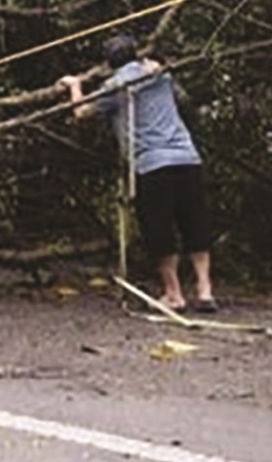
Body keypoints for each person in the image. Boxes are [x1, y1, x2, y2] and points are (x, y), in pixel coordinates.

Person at [59, 34, 217, 312]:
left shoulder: (116, 86)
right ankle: (205, 291)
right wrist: (153, 64)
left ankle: (174, 294)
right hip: (187, 158)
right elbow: (182, 97)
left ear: (109, 63)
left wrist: (75, 85)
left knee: (160, 230)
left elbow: (81, 113)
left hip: (153, 164)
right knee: (194, 223)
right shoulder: (161, 76)